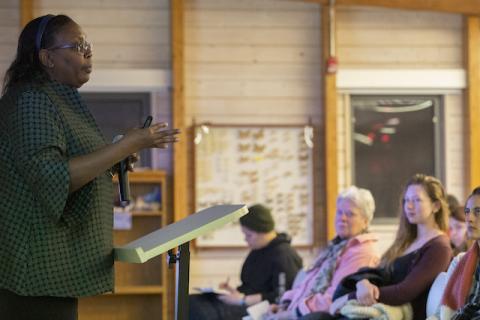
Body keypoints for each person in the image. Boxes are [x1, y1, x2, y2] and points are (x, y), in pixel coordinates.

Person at [0, 14, 179, 320]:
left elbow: (69, 170)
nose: (88, 52)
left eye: (88, 44)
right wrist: (126, 145)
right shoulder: (31, 100)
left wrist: (116, 159)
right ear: (47, 58)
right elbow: (51, 177)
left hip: (52, 266)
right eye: (78, 45)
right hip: (31, 269)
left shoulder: (60, 100)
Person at [330, 174, 453, 320]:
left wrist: (351, 297)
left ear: (436, 206)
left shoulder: (439, 248)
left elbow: (404, 292)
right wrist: (363, 283)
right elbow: (382, 273)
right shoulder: (407, 240)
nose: (409, 206)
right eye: (406, 200)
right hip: (384, 310)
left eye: (417, 200)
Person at [266, 186, 380, 319]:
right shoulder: (335, 247)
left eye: (350, 214)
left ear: (365, 221)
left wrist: (290, 314)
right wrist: (285, 304)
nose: (342, 218)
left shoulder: (363, 252)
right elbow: (307, 285)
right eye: (339, 212)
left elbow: (334, 297)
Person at [189, 204, 303, 320]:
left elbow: (282, 296)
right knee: (191, 300)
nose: (245, 239)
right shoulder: (259, 249)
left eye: (249, 235)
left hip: (261, 308)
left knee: (198, 310)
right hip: (244, 301)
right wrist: (233, 292)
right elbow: (251, 285)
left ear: (262, 231)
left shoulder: (284, 255)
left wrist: (243, 299)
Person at [428, 187, 480, 320]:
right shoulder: (459, 262)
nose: (470, 218)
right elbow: (440, 313)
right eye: (467, 212)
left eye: (478, 212)